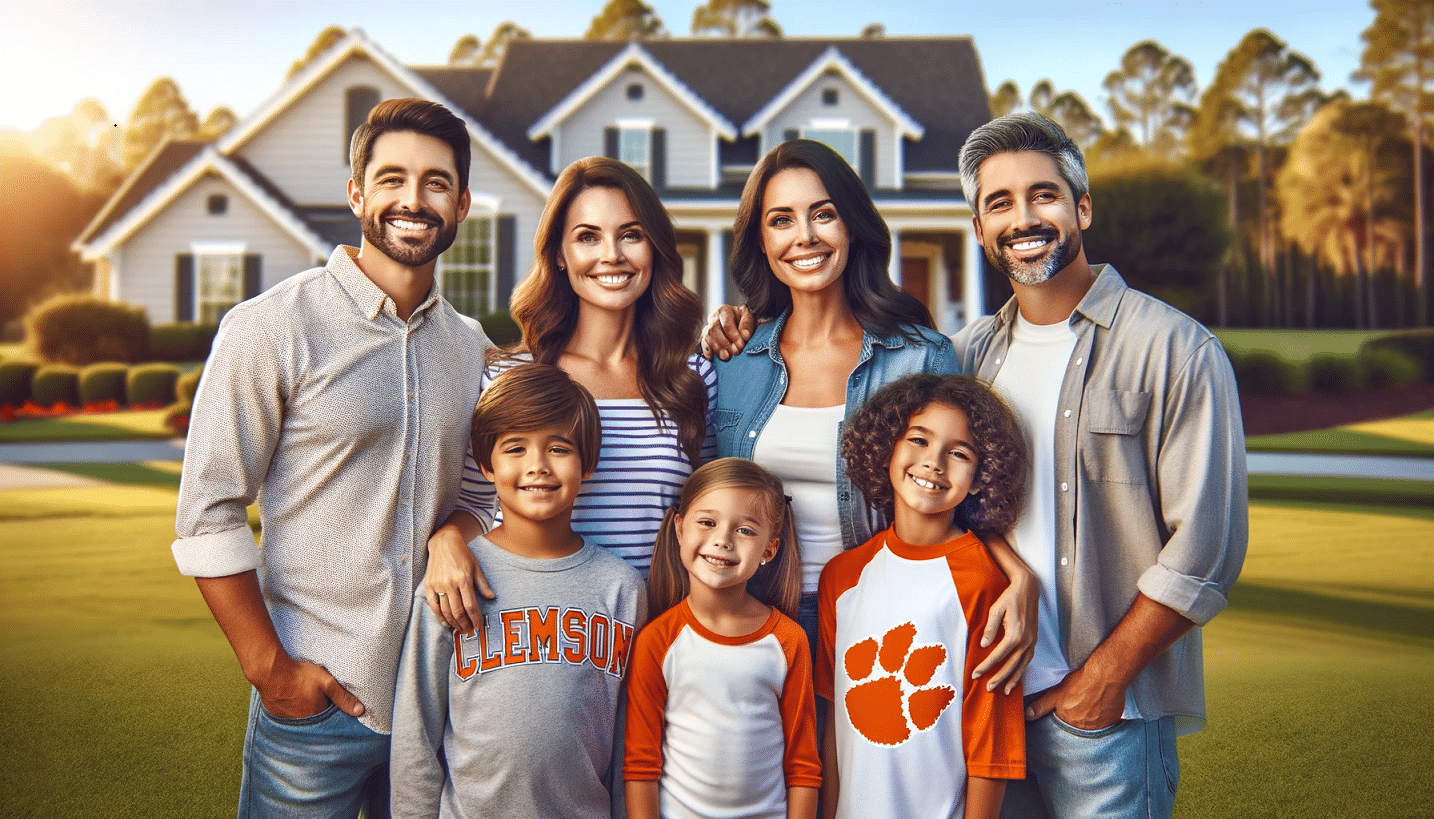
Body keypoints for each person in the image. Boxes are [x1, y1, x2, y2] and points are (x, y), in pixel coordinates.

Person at [171, 98, 492, 817]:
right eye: (392, 179)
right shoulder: (270, 328)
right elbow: (207, 510)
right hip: (314, 710)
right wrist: (270, 670)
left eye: (437, 182)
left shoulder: (470, 345)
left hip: (438, 705)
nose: (414, 199)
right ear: (356, 193)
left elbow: (479, 494)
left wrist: (454, 531)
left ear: (462, 203)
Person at [952, 112, 1247, 818]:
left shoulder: (1177, 348)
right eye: (1000, 202)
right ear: (980, 229)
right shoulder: (962, 358)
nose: (1024, 217)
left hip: (1105, 716)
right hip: (986, 708)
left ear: (1082, 206)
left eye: (1043, 195)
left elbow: (1206, 547)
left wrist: (1104, 679)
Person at [710, 139, 1035, 694]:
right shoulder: (732, 358)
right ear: (761, 241)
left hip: (882, 615)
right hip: (751, 614)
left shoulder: (919, 355)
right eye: (781, 220)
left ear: (853, 227)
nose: (805, 237)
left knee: (864, 778)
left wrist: (1016, 570)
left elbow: (957, 488)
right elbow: (704, 489)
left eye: (824, 214)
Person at [424, 156, 714, 632]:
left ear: (655, 248)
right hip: (548, 631)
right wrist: (445, 541)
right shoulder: (511, 377)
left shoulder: (693, 377)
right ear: (560, 254)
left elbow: (711, 509)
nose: (612, 255)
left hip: (661, 635)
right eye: (587, 237)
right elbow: (477, 501)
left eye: (631, 235)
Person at [390, 363, 646, 819]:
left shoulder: (622, 587)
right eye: (515, 448)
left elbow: (631, 736)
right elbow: (417, 730)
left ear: (587, 462)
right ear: (486, 465)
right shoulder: (453, 578)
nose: (537, 466)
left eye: (559, 448)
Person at [818, 373, 1028, 819]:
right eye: (918, 439)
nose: (934, 463)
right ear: (886, 449)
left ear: (979, 478)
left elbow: (991, 744)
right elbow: (834, 724)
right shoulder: (841, 577)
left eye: (958, 453)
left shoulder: (985, 584)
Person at [625, 458, 821, 819]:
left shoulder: (788, 640)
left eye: (745, 530)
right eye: (707, 522)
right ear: (680, 530)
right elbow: (640, 765)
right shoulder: (658, 640)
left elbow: (803, 764)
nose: (722, 540)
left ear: (769, 550)